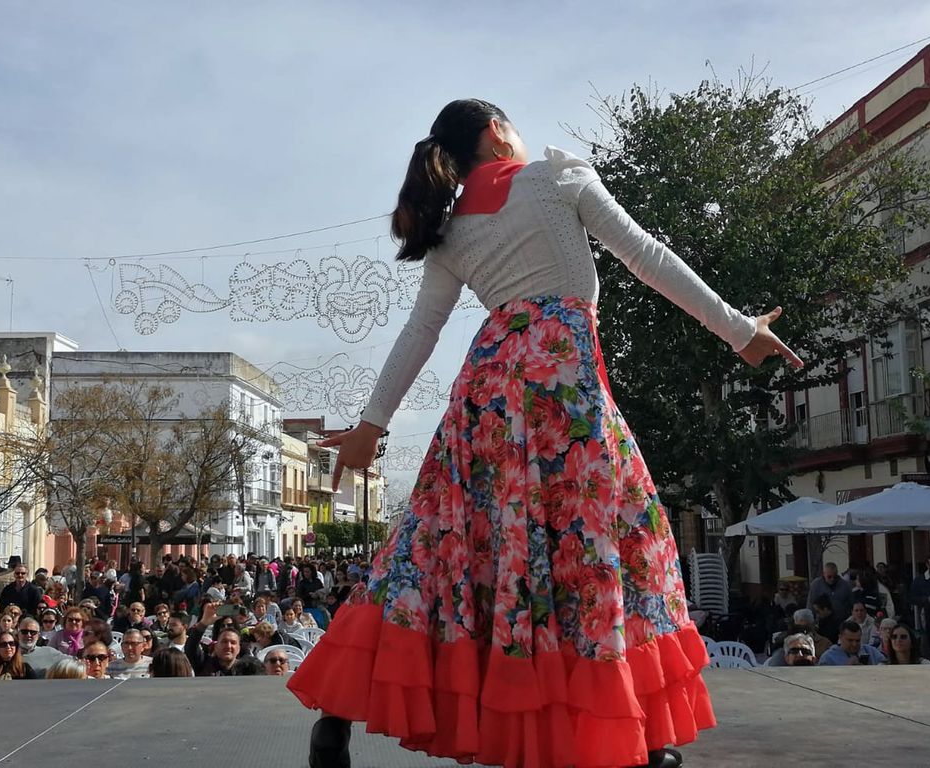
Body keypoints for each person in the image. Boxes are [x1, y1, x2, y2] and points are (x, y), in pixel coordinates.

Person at [290, 99, 801, 768]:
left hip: (487, 401)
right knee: (598, 548)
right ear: (497, 131)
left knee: (436, 550)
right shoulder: (555, 178)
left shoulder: (450, 232)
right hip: (564, 401)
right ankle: (632, 736)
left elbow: (422, 333)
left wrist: (370, 426)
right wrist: (739, 330)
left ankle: (335, 718)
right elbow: (647, 256)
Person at [818, 620, 885, 666]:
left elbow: (886, 666)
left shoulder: (871, 651)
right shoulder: (828, 658)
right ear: (840, 638)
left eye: (857, 640)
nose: (854, 644)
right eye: (850, 640)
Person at [808, 563, 854, 627]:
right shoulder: (815, 585)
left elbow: (851, 604)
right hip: (822, 623)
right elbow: (810, 604)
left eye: (835, 576)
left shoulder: (845, 585)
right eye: (829, 577)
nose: (832, 579)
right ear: (824, 574)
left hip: (841, 622)